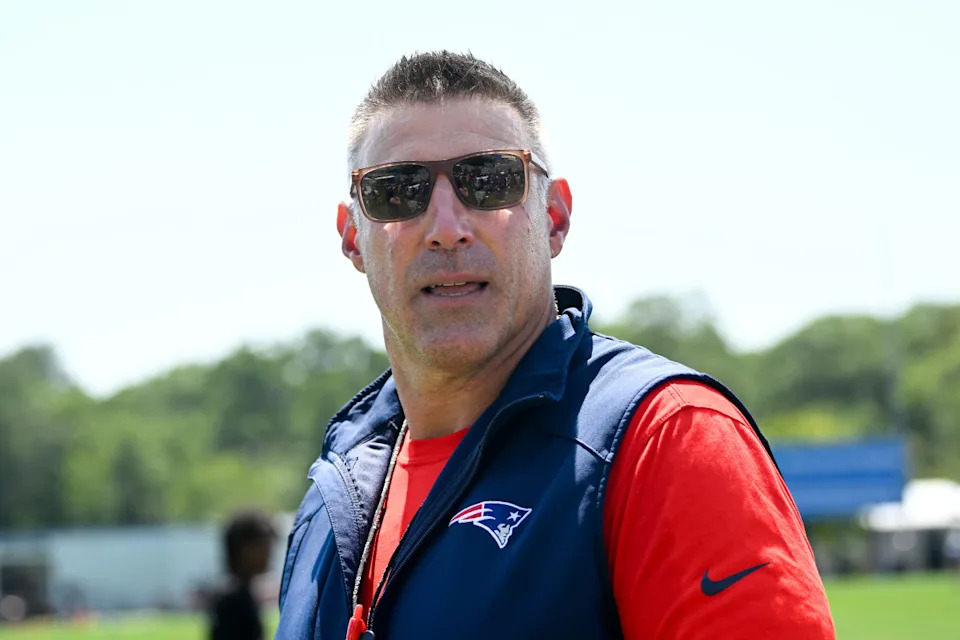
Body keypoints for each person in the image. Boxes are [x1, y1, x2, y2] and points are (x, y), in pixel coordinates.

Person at [276, 51, 836, 639]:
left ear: (555, 218)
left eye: (489, 180)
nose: (446, 228)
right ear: (352, 237)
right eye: (397, 192)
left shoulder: (666, 440)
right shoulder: (329, 502)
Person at [209, 509, 276, 640]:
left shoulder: (240, 594)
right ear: (242, 549)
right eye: (261, 544)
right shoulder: (233, 600)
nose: (269, 552)